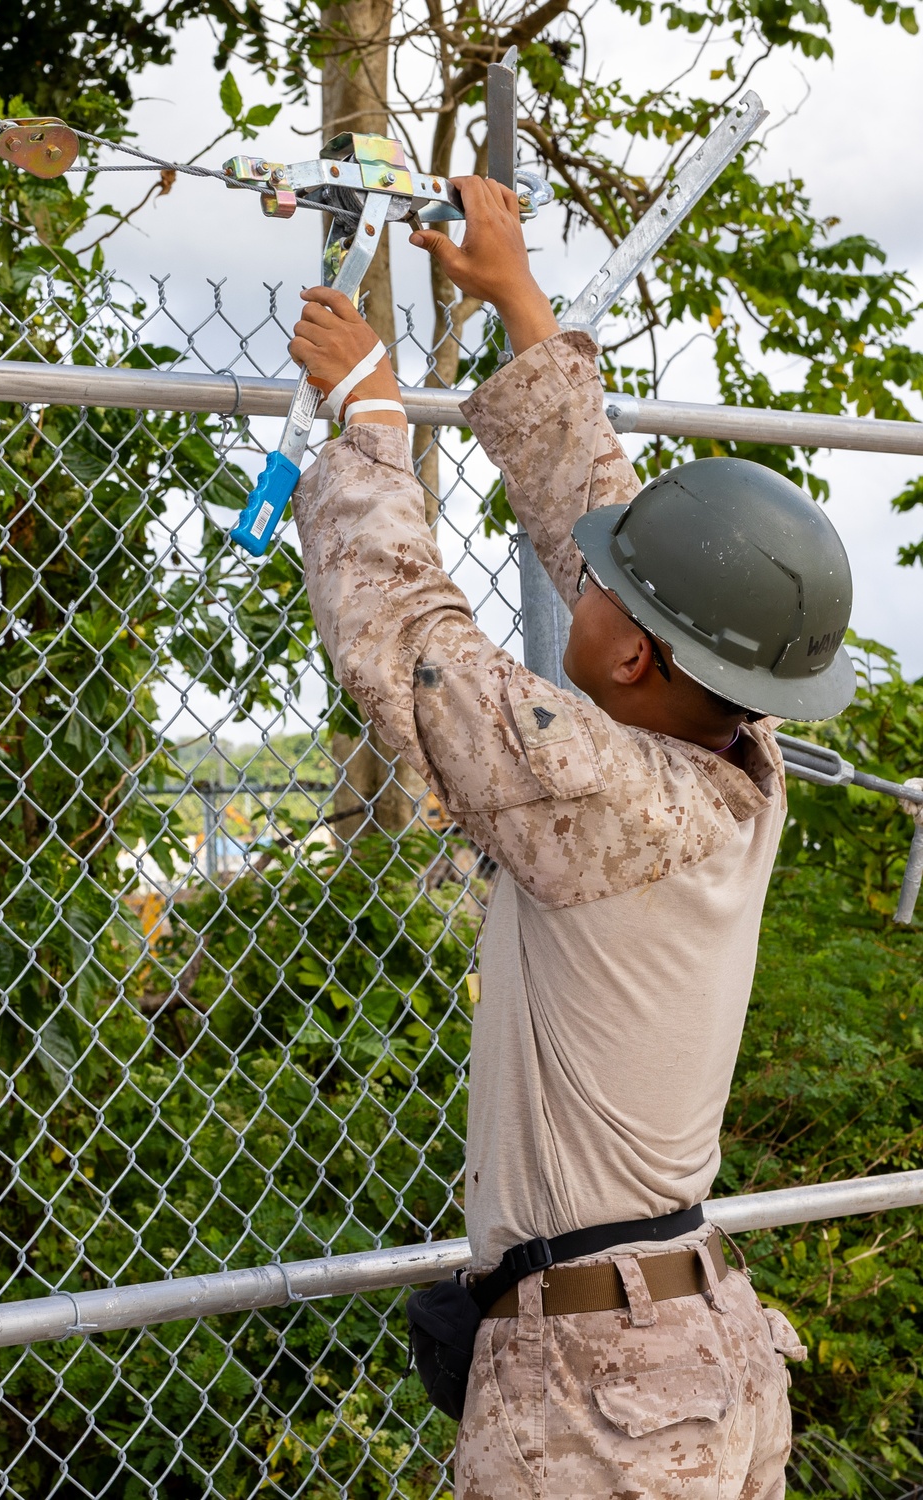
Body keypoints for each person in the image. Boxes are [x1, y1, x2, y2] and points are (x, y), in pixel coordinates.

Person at [286, 176, 856, 1500]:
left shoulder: (606, 792)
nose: (580, 574)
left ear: (643, 658)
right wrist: (514, 297)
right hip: (697, 1348)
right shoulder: (736, 754)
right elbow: (623, 528)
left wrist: (375, 424)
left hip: (601, 1399)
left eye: (601, 584)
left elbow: (410, 639)